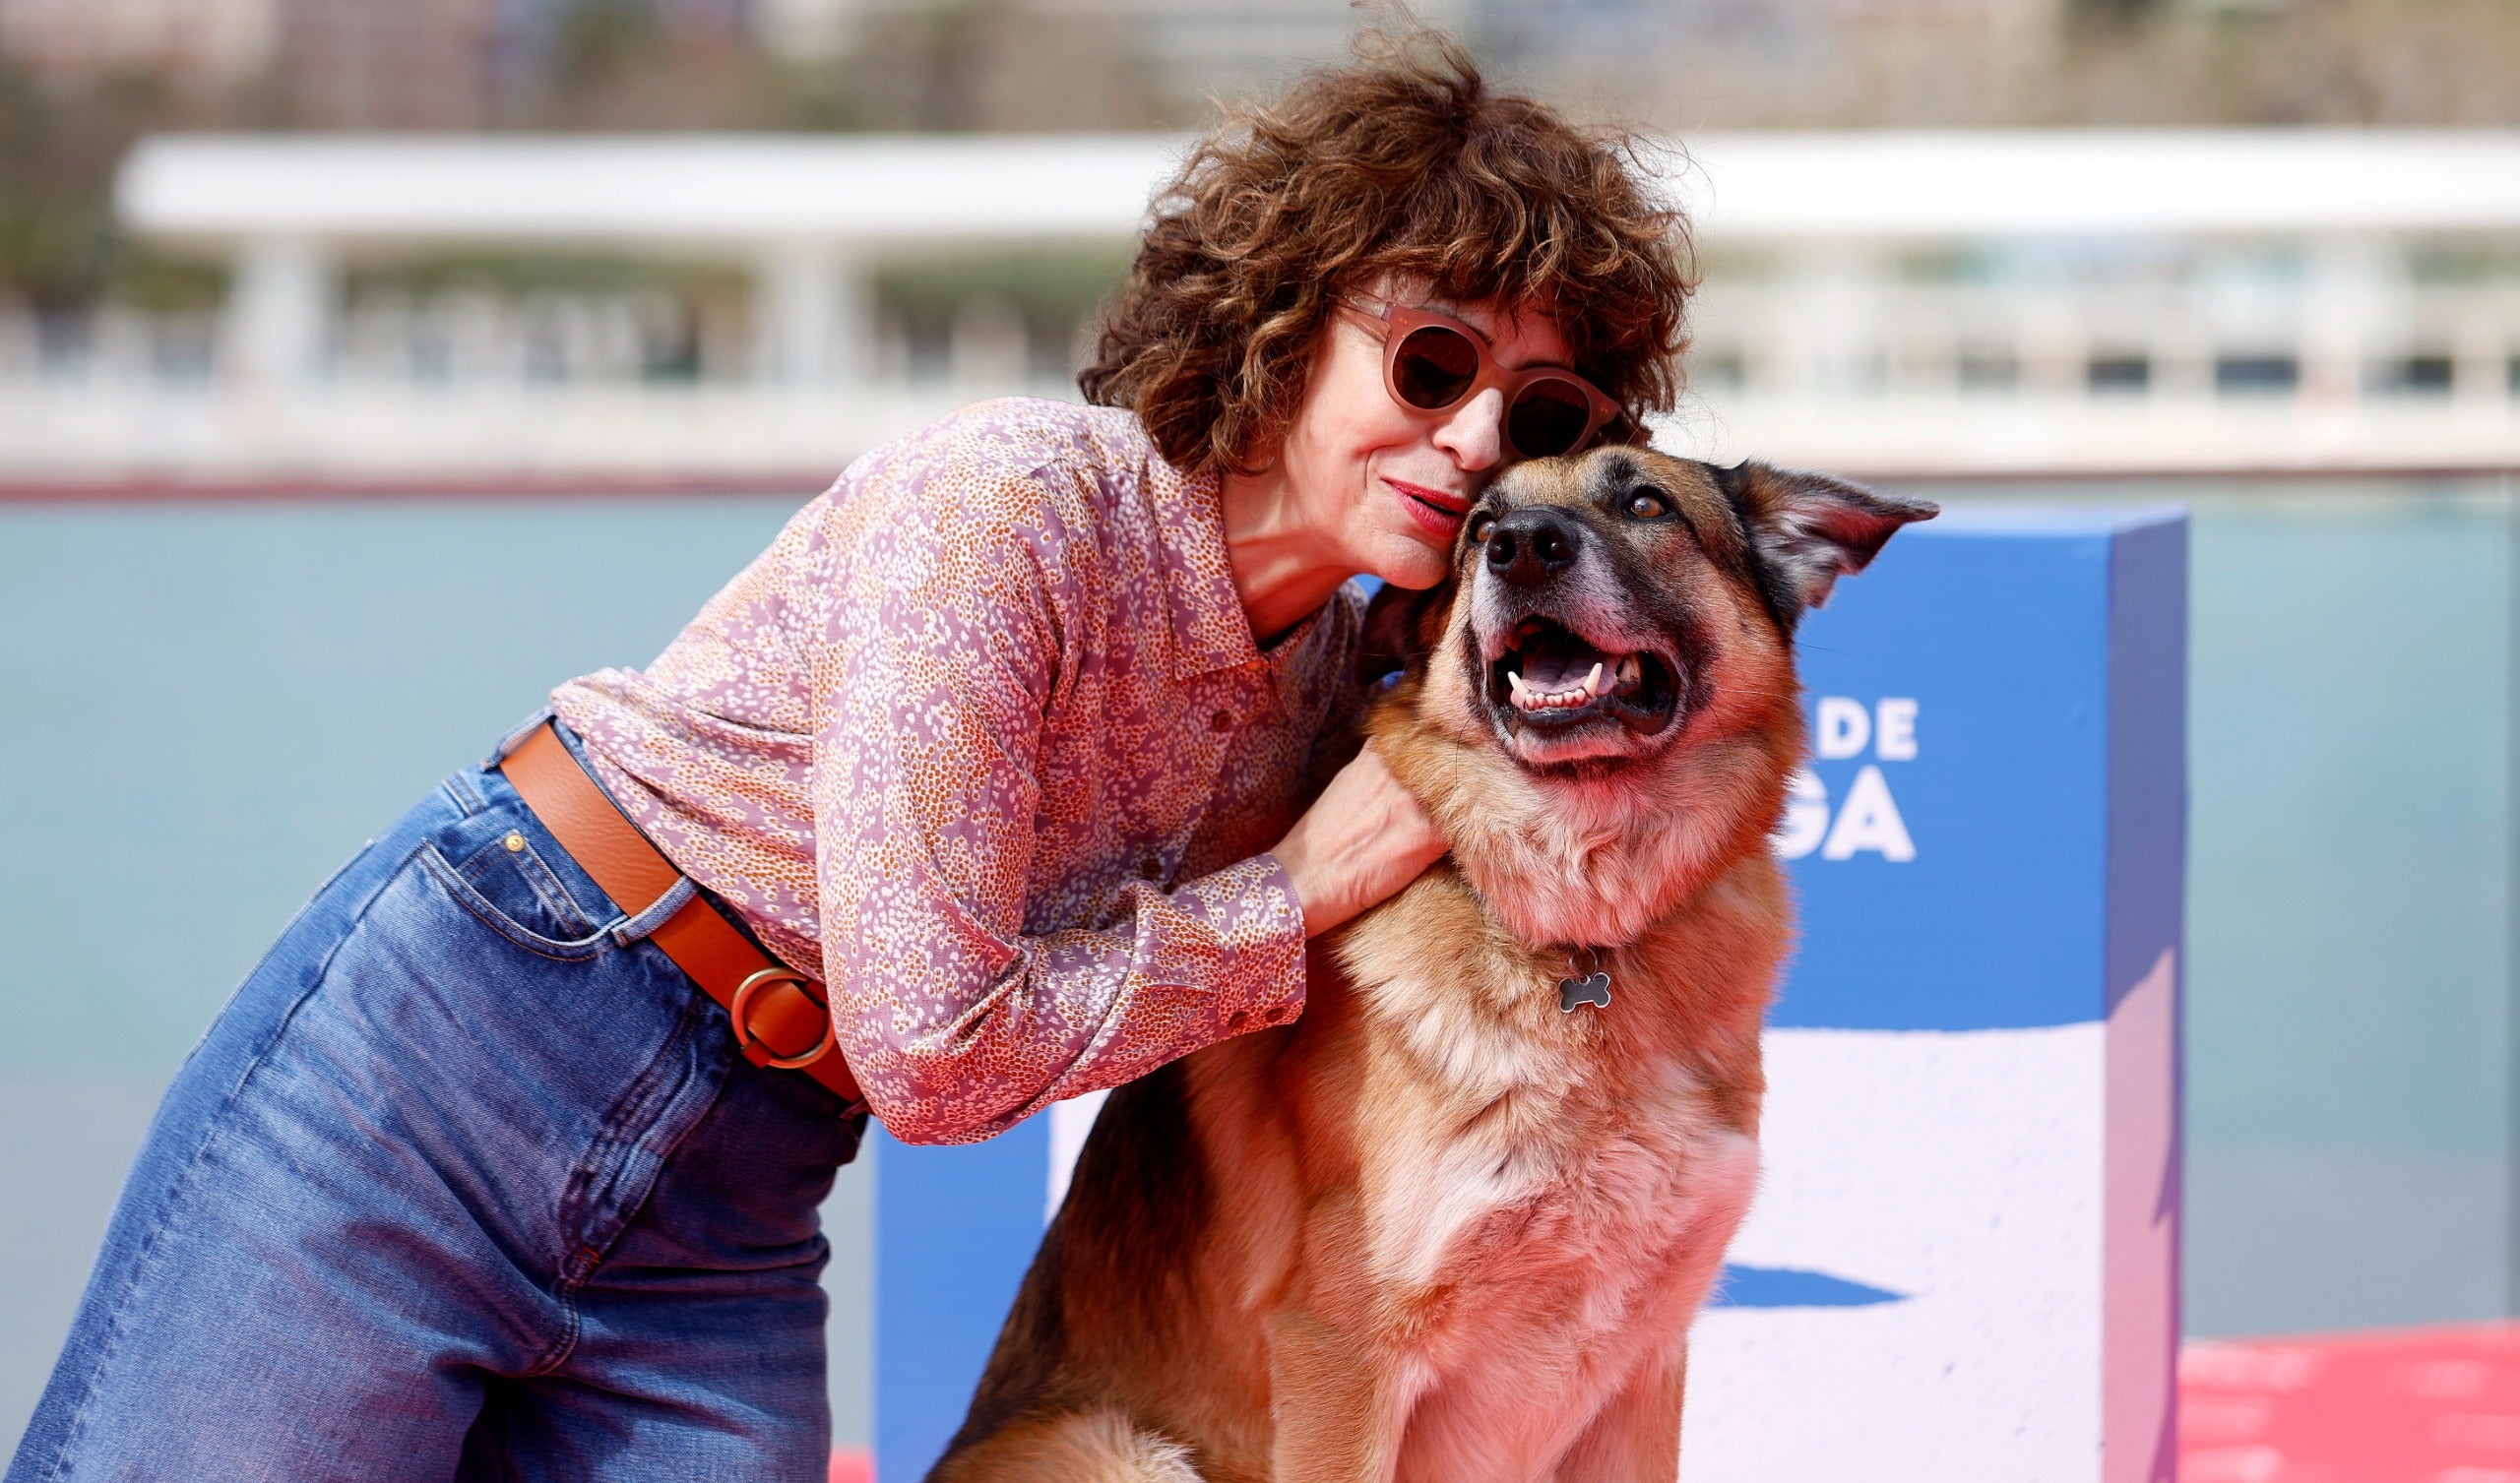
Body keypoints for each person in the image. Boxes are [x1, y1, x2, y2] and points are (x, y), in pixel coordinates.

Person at [8, 31, 1691, 1483]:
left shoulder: (1359, 686)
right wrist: (1293, 893)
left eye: (1540, 415)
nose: (1473, 435)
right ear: (1287, 326)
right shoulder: (1009, 509)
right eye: (1431, 359)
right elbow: (941, 1049)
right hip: (460, 1053)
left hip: (741, 1192)